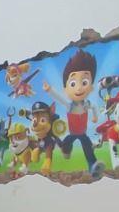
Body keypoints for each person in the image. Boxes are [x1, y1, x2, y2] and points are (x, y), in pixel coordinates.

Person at [43, 48, 104, 178]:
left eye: (84, 82)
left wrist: (94, 117)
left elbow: (93, 107)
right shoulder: (69, 105)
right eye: (73, 83)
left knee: (87, 147)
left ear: (91, 87)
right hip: (72, 133)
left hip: (83, 133)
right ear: (66, 88)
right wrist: (50, 90)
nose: (79, 88)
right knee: (66, 144)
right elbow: (59, 98)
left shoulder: (87, 104)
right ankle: (65, 151)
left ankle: (93, 165)